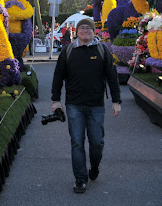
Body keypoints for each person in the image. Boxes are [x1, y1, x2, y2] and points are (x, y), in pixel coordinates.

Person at [51, 18, 121, 194]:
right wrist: (55, 100)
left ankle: (95, 166)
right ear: (77, 31)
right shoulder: (68, 51)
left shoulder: (102, 51)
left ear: (93, 31)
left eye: (88, 28)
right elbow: (58, 76)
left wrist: (116, 101)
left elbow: (112, 77)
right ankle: (80, 179)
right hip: (74, 105)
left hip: (96, 105)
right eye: (82, 28)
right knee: (77, 143)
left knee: (97, 143)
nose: (85, 31)